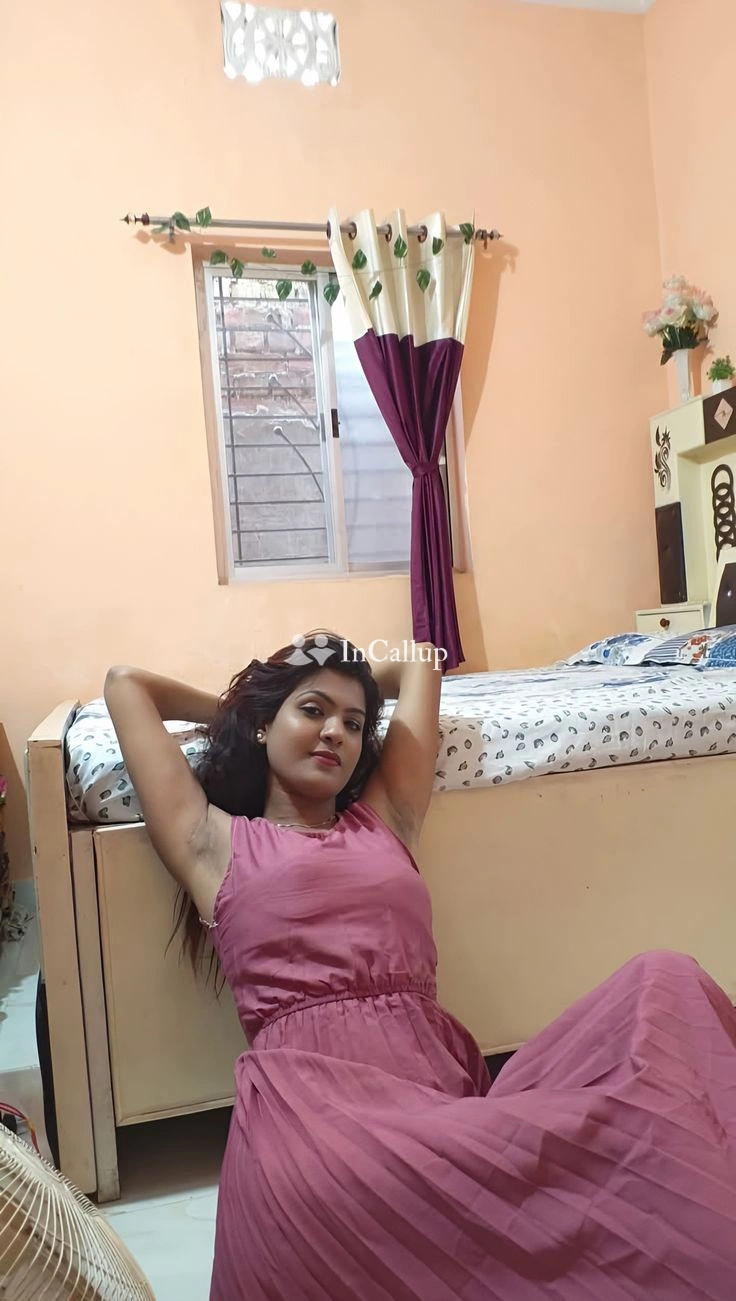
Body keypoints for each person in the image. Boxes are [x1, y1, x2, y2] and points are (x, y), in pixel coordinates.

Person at [104, 633, 736, 1301]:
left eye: (354, 724)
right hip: (319, 1119)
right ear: (264, 725)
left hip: (436, 1095)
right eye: (313, 711)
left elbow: (421, 660)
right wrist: (248, 705)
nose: (335, 733)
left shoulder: (385, 818)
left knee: (664, 982)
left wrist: (321, 691)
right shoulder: (214, 843)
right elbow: (125, 683)